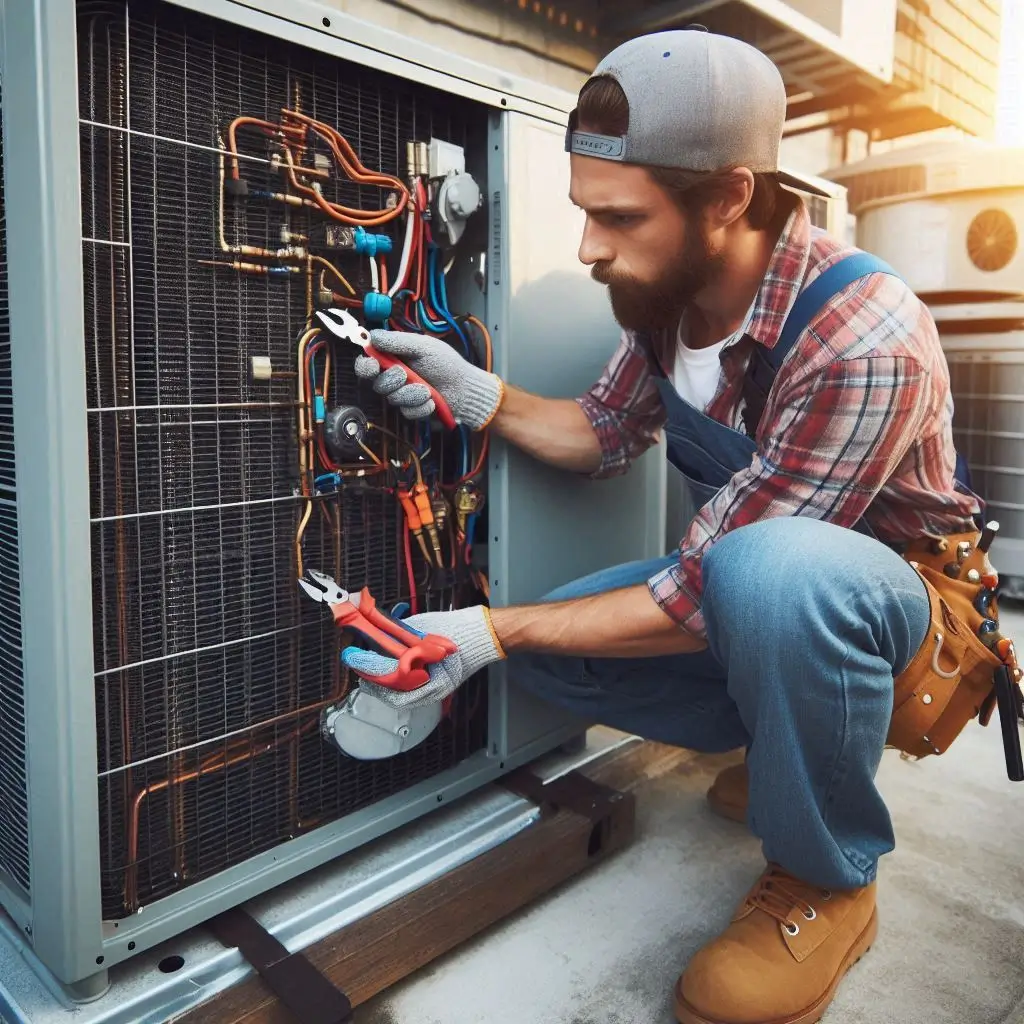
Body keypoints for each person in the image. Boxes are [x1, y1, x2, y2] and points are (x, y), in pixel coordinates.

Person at [340, 27, 1000, 1024]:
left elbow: (706, 592)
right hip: (753, 585)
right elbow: (603, 430)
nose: (588, 248)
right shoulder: (665, 294)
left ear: (730, 197)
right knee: (562, 652)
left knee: (767, 576)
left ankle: (829, 878)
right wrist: (467, 392)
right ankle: (789, 751)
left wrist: (481, 632)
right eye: (583, 212)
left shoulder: (860, 333)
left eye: (617, 217)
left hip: (896, 612)